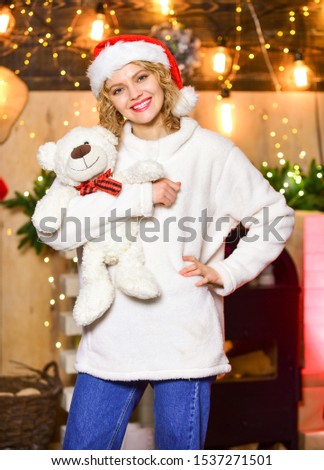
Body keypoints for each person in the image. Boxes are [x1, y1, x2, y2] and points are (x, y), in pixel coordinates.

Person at [37, 35, 295, 450]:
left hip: (184, 338)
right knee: (81, 453)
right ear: (109, 99)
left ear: (162, 78)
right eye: (119, 88)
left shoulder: (213, 152)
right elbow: (56, 230)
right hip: (111, 338)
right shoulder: (97, 155)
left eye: (141, 78)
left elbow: (275, 217)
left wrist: (227, 270)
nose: (134, 94)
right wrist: (137, 197)